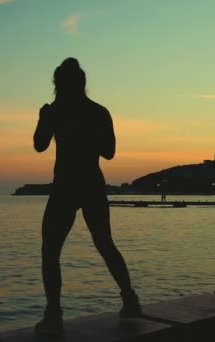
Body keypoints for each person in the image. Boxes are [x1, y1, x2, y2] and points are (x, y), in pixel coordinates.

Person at [33, 58, 142, 336]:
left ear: (60, 84)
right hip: (87, 184)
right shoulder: (94, 112)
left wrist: (50, 121)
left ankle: (54, 314)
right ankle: (129, 299)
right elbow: (108, 151)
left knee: (52, 251)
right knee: (102, 244)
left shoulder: (67, 111)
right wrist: (45, 120)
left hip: (70, 185)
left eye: (58, 83)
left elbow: (39, 145)